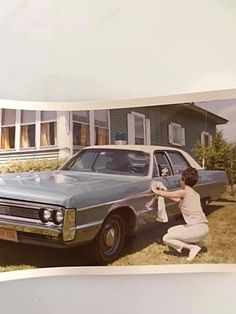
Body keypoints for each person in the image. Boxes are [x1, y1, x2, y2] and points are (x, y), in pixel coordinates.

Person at [153, 167, 209, 261]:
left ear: (184, 180)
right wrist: (164, 192)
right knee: (171, 230)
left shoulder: (184, 192)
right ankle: (197, 242)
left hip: (196, 229)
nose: (180, 181)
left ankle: (192, 248)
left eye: (181, 179)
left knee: (166, 238)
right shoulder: (195, 194)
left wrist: (154, 188)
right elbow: (177, 199)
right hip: (203, 228)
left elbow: (163, 193)